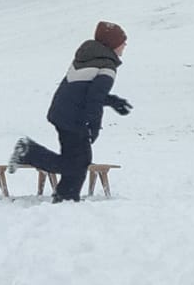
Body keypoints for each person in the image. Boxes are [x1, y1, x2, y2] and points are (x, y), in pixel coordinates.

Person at [10, 22, 130, 203]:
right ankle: (28, 152)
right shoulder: (107, 66)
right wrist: (94, 127)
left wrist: (113, 101)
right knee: (78, 163)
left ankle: (65, 197)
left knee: (76, 162)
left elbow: (85, 91)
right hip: (73, 118)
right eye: (122, 41)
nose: (125, 45)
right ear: (112, 44)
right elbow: (93, 99)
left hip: (63, 113)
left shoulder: (90, 57)